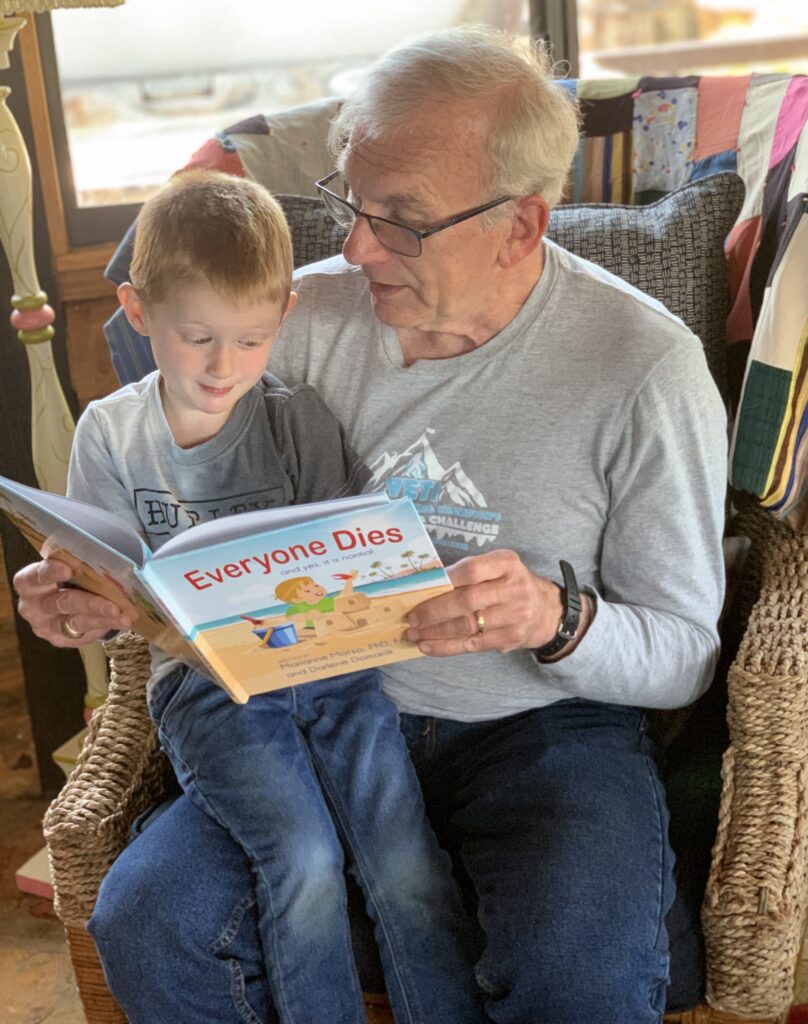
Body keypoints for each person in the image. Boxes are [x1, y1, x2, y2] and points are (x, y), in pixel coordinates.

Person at [14, 25, 728, 1024]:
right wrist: (82, 584)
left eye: (399, 220)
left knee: (584, 971)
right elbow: (153, 489)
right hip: (302, 709)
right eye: (347, 202)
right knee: (149, 917)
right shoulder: (293, 320)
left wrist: (553, 618)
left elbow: (685, 652)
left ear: (519, 226)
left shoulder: (643, 368)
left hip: (538, 727)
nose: (350, 247)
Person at [57, 168, 486, 1024]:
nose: (226, 366)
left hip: (336, 675)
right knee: (301, 858)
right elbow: (98, 588)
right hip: (211, 690)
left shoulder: (298, 420)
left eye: (251, 341)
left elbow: (346, 564)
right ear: (138, 313)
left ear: (284, 318)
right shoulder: (110, 434)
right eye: (199, 337)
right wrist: (84, 594)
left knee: (407, 868)